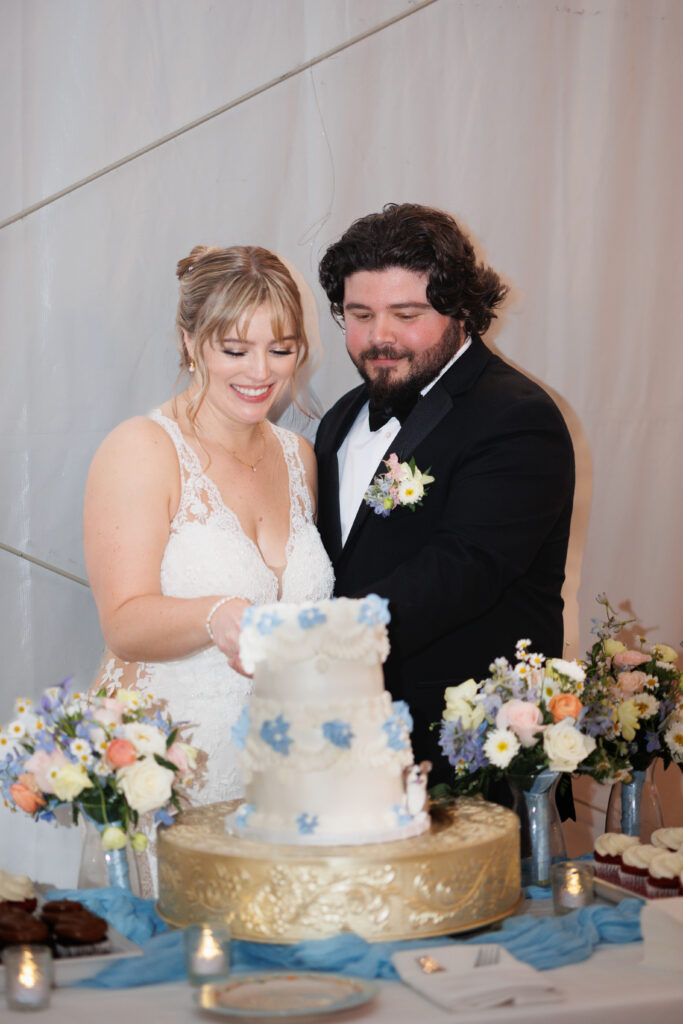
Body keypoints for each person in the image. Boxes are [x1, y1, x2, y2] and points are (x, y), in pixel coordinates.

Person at [315, 203, 575, 786]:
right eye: (360, 314)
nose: (379, 337)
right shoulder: (341, 417)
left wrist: (314, 639)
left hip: (465, 756)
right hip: (346, 747)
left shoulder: (517, 417)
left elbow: (463, 569)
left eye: (405, 313)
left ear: (462, 310)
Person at [84, 245, 334, 817]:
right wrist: (215, 612)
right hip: (170, 775)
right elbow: (123, 623)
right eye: (235, 349)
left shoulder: (299, 456)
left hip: (280, 779)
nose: (261, 372)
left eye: (281, 349)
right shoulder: (143, 448)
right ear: (189, 341)